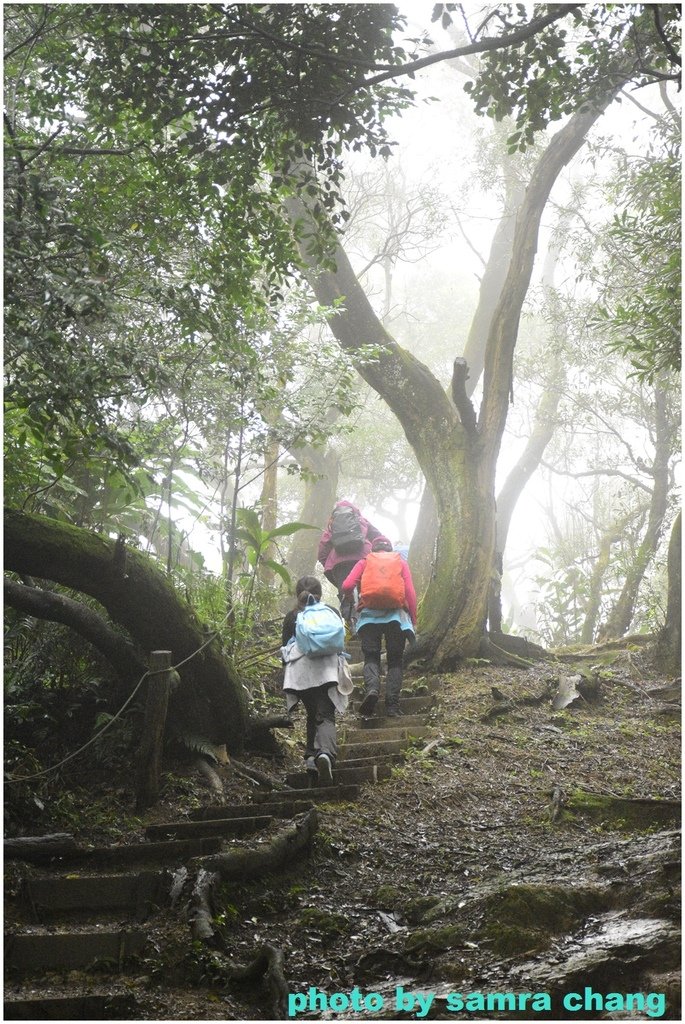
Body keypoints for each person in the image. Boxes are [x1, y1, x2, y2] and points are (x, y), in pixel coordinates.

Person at [281, 575, 349, 784]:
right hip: (326, 670)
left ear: (297, 594)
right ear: (320, 592)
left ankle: (311, 757)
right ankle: (325, 754)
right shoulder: (331, 612)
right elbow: (339, 642)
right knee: (326, 715)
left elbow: (284, 648)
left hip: (300, 673)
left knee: (313, 713)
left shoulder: (292, 617)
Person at [341, 537, 417, 718]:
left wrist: (350, 598)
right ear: (390, 550)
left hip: (369, 618)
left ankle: (373, 689)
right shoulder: (400, 562)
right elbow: (410, 592)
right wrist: (413, 618)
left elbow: (346, 585)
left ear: (372, 550)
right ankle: (392, 705)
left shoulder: (364, 562)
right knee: (395, 660)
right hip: (396, 618)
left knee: (371, 657)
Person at [317, 500, 383, 621]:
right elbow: (379, 536)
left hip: (339, 564)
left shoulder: (332, 524)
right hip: (364, 559)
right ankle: (369, 623)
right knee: (366, 591)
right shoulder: (361, 520)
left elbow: (323, 548)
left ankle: (350, 625)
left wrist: (328, 564)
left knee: (345, 594)